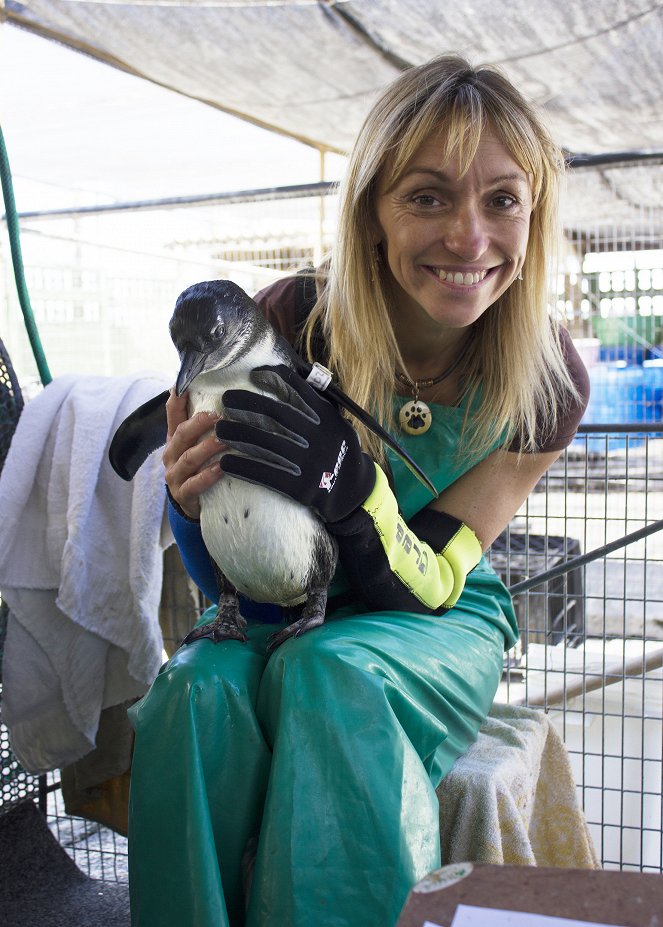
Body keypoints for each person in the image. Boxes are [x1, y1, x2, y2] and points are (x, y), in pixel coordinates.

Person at [128, 54, 589, 927]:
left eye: (501, 200)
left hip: (437, 617)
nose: (468, 237)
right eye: (426, 196)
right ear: (372, 212)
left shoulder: (547, 378)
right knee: (191, 692)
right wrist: (189, 506)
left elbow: (435, 579)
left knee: (333, 669)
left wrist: (356, 490)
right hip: (278, 600)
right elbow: (219, 537)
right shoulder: (286, 320)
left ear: (533, 216)